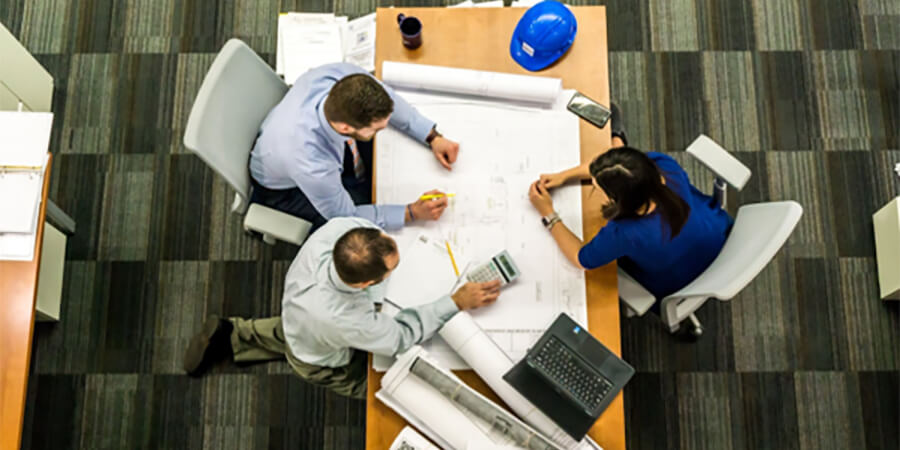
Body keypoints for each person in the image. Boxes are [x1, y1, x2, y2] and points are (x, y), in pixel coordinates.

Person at [182, 217, 501, 399]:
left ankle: (233, 334)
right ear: (365, 284)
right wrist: (455, 301)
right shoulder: (347, 320)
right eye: (391, 270)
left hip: (298, 313)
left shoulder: (341, 230)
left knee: (292, 331)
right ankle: (240, 340)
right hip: (320, 357)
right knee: (380, 386)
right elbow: (399, 337)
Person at [526, 110, 732, 312]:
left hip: (680, 279)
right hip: (717, 235)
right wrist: (564, 176)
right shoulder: (664, 167)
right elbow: (619, 166)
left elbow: (581, 258)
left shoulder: (626, 233)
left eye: (598, 188)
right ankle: (618, 138)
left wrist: (548, 213)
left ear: (619, 200)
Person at [249, 63, 461, 232]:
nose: (384, 129)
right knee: (360, 214)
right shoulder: (312, 164)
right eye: (377, 129)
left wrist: (432, 136)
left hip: (286, 135)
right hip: (283, 189)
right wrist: (411, 213)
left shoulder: (341, 77)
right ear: (345, 127)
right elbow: (345, 216)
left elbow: (389, 100)